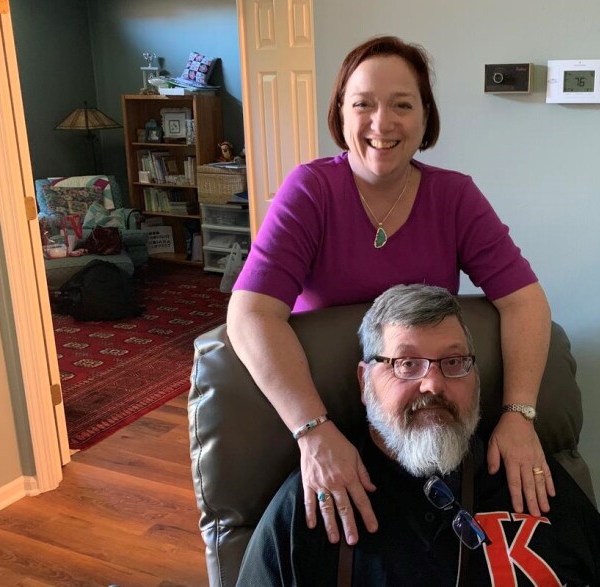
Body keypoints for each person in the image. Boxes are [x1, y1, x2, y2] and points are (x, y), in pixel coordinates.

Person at [228, 35, 557, 547]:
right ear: (341, 113)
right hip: (327, 414)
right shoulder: (309, 191)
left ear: (426, 117)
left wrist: (519, 414)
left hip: (423, 412)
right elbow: (249, 315)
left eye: (402, 105)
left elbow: (525, 301)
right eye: (363, 104)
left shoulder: (455, 196)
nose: (382, 124)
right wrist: (313, 430)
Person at [236, 284, 600, 587]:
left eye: (453, 361)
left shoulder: (530, 474)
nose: (433, 384)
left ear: (477, 377)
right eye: (407, 363)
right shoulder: (313, 504)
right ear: (364, 382)